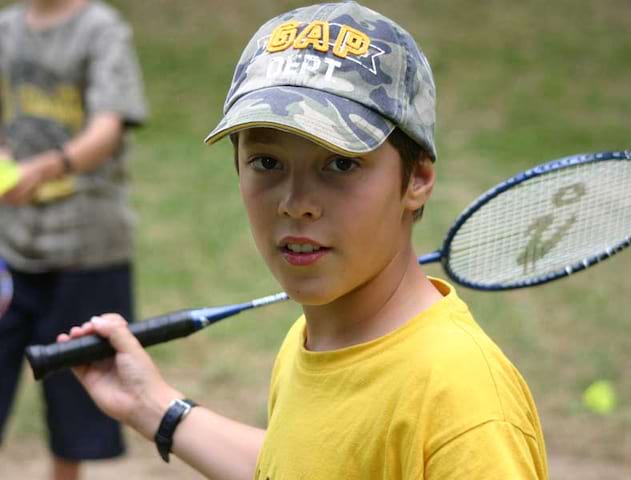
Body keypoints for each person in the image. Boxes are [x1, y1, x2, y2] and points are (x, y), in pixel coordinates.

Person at [57, 2, 548, 479]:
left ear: (417, 178)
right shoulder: (313, 340)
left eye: (340, 163)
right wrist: (154, 407)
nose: (296, 202)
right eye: (267, 162)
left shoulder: (464, 408)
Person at [0, 0, 146, 479]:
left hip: (86, 245)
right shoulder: (5, 28)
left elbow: (107, 128)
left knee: (77, 402)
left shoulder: (100, 30)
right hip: (9, 245)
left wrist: (46, 168)